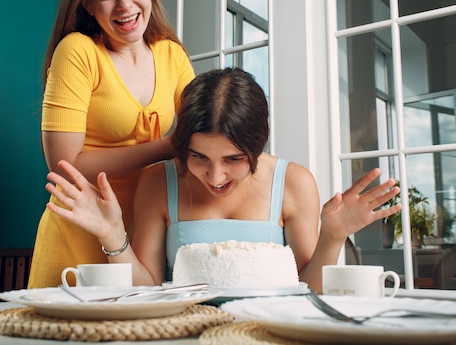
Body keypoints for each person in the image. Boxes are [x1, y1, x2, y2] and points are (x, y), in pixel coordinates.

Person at [44, 68, 401, 292]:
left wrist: (333, 236)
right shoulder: (158, 181)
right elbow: (147, 288)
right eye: (197, 157)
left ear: (257, 145)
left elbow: (307, 289)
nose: (215, 176)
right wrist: (112, 235)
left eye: (233, 160)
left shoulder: (294, 183)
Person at [28, 0, 195, 288]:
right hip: (79, 230)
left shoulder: (172, 55)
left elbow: (202, 130)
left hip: (144, 235)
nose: (124, 5)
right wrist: (167, 147)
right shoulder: (78, 52)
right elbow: (64, 167)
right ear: (87, 4)